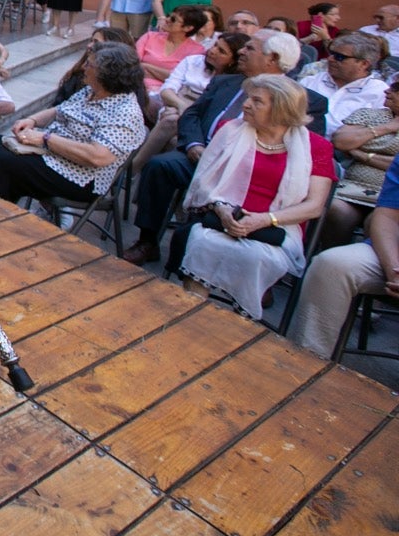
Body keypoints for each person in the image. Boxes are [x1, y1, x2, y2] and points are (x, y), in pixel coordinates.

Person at [122, 30, 326, 266]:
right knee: (160, 166)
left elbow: (302, 150)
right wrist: (194, 144)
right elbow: (193, 114)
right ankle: (147, 241)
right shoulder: (224, 82)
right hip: (199, 157)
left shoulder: (305, 100)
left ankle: (241, 265)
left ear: (272, 58)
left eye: (250, 48)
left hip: (252, 172)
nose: (241, 51)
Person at [167, 75, 334, 320]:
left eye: (257, 101)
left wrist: (264, 220)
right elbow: (204, 181)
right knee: (202, 241)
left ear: (281, 108)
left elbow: (314, 206)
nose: (245, 105)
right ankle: (187, 316)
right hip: (222, 216)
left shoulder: (316, 147)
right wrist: (221, 209)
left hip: (277, 226)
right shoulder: (230, 130)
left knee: (255, 256)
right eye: (248, 98)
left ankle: (239, 325)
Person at [0, 42, 147, 207]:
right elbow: (60, 110)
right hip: (52, 155)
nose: (83, 67)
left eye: (89, 65)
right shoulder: (91, 90)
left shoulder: (125, 112)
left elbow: (97, 156)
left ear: (106, 74)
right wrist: (32, 120)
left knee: (1, 162)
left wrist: (46, 138)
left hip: (80, 177)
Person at [289, 157, 399, 358]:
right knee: (332, 264)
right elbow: (387, 217)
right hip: (394, 253)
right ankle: (307, 362)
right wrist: (394, 270)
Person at [130, 30, 250, 173]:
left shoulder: (231, 82)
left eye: (221, 51)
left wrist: (186, 111)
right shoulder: (193, 61)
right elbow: (167, 90)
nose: (212, 51)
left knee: (172, 125)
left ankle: (133, 169)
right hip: (174, 103)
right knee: (171, 117)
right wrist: (181, 105)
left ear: (233, 60)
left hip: (196, 119)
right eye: (215, 45)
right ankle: (135, 171)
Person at [321, 74, 399, 248]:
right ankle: (329, 259)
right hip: (351, 188)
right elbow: (341, 141)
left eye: (396, 88)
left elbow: (397, 165)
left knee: (379, 222)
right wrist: (386, 128)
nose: (387, 90)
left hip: (391, 198)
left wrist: (363, 155)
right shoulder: (370, 114)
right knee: (336, 210)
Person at [297, 31, 388, 129]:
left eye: (339, 57)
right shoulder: (310, 82)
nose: (330, 59)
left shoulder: (380, 92)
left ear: (363, 64)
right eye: (331, 54)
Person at [51, 26, 135, 106]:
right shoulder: (78, 74)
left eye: (96, 42)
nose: (89, 45)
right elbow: (59, 105)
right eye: (91, 41)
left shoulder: (125, 99)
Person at [134, 6, 207, 93]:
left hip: (167, 93)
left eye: (173, 19)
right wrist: (166, 75)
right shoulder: (149, 36)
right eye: (168, 15)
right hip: (137, 85)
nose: (167, 19)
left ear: (188, 28)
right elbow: (133, 65)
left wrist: (146, 66)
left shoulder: (196, 51)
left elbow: (183, 80)